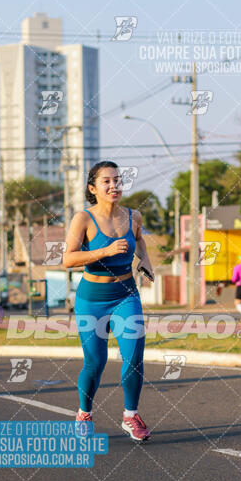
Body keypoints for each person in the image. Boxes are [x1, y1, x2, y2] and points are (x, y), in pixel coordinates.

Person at [63, 161, 154, 442]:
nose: (114, 185)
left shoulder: (133, 216)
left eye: (117, 180)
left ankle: (131, 415)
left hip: (126, 294)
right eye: (106, 181)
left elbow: (139, 240)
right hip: (92, 300)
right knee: (95, 361)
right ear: (93, 188)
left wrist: (145, 260)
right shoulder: (83, 219)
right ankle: (84, 413)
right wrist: (104, 251)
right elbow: (68, 259)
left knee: (135, 357)